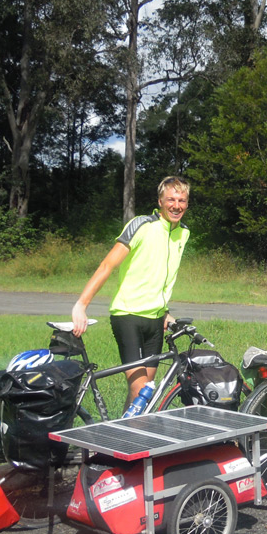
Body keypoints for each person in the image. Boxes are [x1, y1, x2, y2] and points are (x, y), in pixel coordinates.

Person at [72, 176, 191, 410]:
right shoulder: (141, 225)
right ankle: (128, 441)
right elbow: (107, 266)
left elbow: (162, 274)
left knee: (147, 394)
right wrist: (81, 305)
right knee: (142, 393)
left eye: (182, 200)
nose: (176, 205)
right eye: (171, 200)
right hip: (128, 316)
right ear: (160, 201)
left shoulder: (183, 233)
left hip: (156, 321)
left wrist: (164, 311)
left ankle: (127, 437)